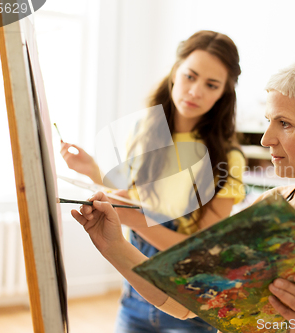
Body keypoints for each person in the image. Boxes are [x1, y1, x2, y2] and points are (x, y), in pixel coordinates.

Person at [72, 55, 295, 333]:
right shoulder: (267, 208)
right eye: (268, 121)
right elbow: (186, 300)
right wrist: (113, 244)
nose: (266, 139)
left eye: (283, 123)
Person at [62, 30, 246, 333]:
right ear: (175, 72)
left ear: (223, 93)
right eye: (190, 76)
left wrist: (136, 219)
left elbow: (199, 251)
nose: (196, 91)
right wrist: (92, 172)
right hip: (135, 298)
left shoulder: (228, 158)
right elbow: (126, 202)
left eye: (211, 85)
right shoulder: (145, 130)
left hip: (190, 306)